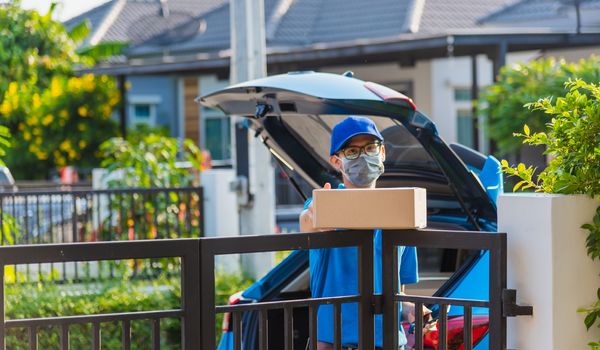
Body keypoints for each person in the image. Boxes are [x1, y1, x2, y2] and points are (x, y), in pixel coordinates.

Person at [299, 116, 422, 350]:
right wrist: (315, 217)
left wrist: (408, 309)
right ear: (337, 161)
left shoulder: (400, 211)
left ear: (382, 153)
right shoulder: (324, 205)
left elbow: (399, 289)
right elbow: (307, 222)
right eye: (353, 152)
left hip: (388, 342)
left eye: (370, 148)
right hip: (335, 344)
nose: (364, 156)